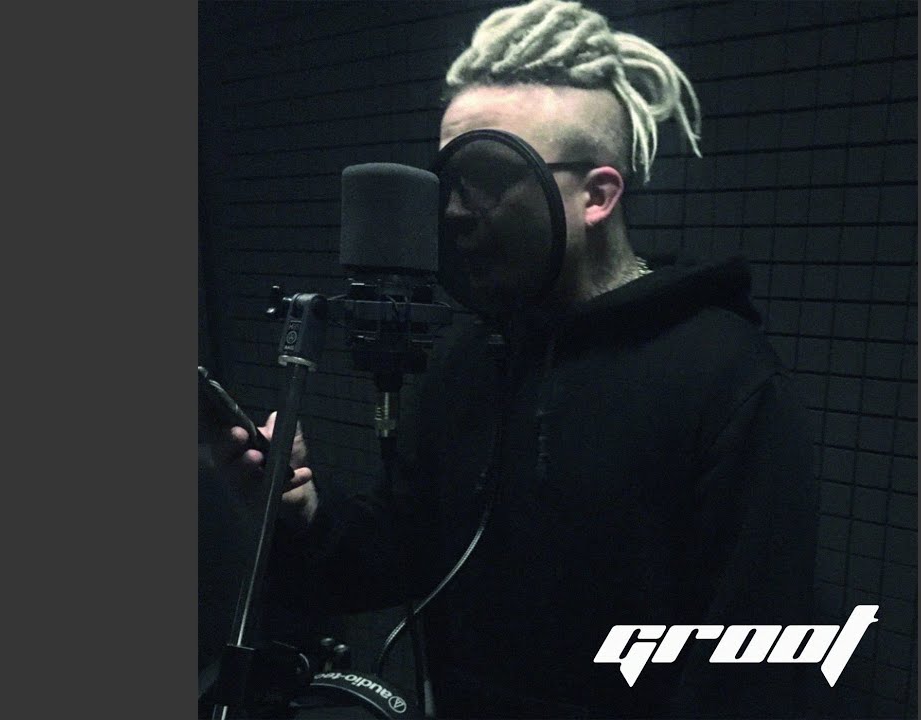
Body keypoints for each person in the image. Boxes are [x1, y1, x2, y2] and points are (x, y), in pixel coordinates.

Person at [213, 1, 821, 716]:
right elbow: (401, 555)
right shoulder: (470, 357)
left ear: (598, 195)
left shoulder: (724, 376)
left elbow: (752, 659)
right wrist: (305, 510)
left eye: (489, 178)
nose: (454, 211)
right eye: (451, 179)